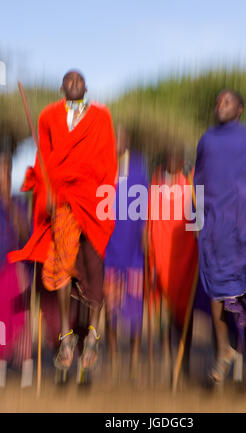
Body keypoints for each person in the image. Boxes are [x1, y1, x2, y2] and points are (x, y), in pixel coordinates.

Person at [8, 71, 117, 377]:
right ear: (61, 88)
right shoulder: (49, 116)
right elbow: (45, 158)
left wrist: (105, 202)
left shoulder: (100, 116)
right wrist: (46, 192)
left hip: (93, 202)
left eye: (78, 80)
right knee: (59, 267)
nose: (72, 83)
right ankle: (66, 339)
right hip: (64, 204)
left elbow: (108, 161)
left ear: (86, 86)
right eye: (67, 80)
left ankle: (94, 334)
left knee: (94, 268)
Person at [194, 89, 246, 386]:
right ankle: (224, 349)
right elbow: (198, 182)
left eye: (227, 101)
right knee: (217, 287)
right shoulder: (207, 140)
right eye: (217, 101)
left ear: (240, 109)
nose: (220, 105)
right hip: (216, 229)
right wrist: (196, 226)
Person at [148, 149, 198, 382]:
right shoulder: (156, 180)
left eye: (176, 155)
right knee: (164, 313)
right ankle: (168, 359)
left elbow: (197, 219)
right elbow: (150, 219)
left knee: (183, 312)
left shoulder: (190, 181)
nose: (172, 159)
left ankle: (184, 360)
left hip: (184, 258)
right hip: (160, 255)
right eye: (168, 154)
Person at [104, 125, 148, 382]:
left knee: (135, 308)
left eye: (121, 137)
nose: (117, 142)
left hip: (134, 252)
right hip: (109, 250)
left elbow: (145, 209)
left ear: (128, 140)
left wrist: (145, 238)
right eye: (114, 138)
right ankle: (113, 358)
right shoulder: (103, 165)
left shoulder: (139, 166)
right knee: (111, 308)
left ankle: (133, 359)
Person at [0, 144, 32, 387]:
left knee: (20, 318)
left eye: (5, 171)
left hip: (15, 268)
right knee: (1, 322)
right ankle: (1, 367)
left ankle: (26, 371)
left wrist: (10, 205)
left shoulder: (18, 203)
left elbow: (24, 234)